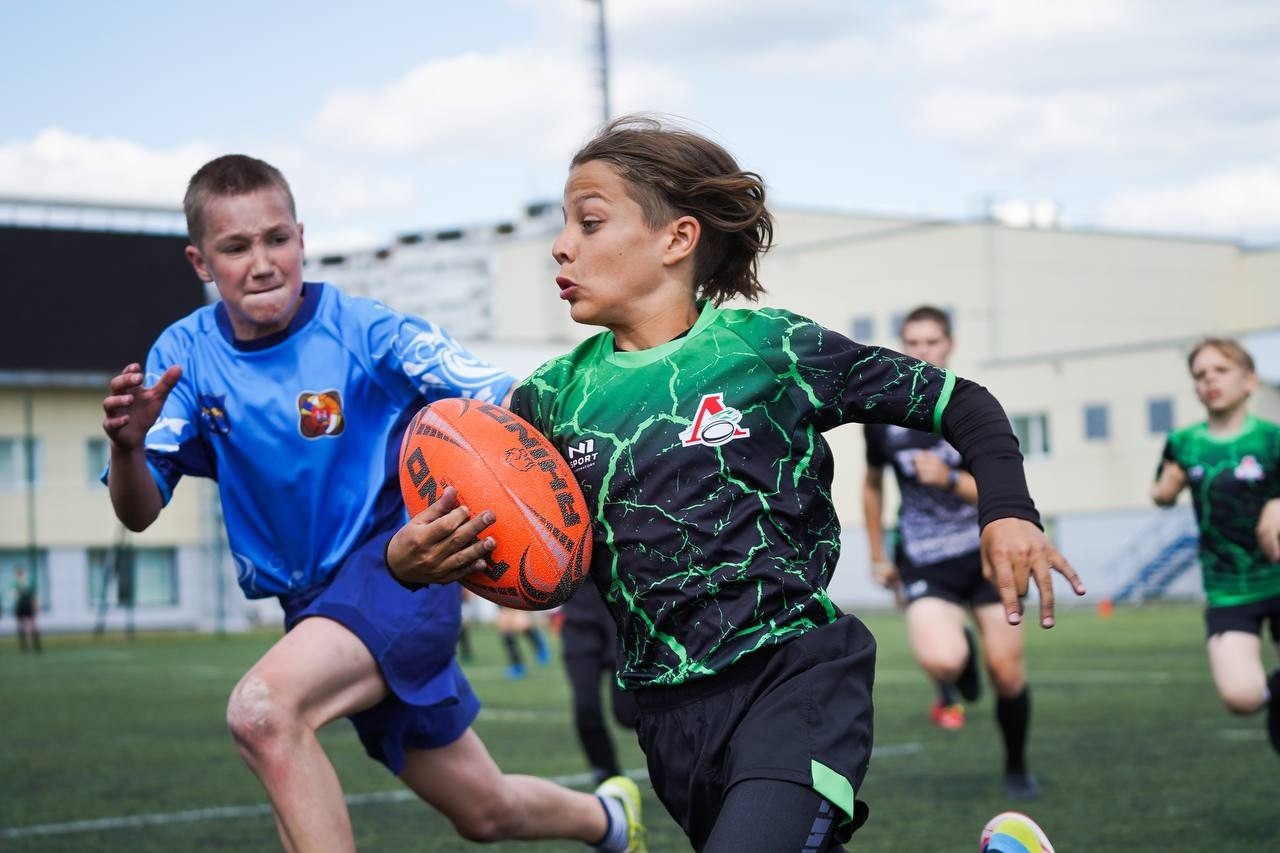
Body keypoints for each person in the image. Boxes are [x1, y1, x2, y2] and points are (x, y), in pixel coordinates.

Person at [390, 115, 1084, 852]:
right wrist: (411, 562)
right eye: (564, 225)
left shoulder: (769, 349)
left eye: (589, 222)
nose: (561, 245)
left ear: (677, 239)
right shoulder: (548, 400)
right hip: (667, 712)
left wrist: (1007, 511)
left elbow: (960, 401)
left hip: (796, 677)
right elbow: (507, 540)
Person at [102, 154, 644, 853]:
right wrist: (125, 447)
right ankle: (611, 821)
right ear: (201, 261)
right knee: (485, 810)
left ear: (301, 237)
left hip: (400, 574)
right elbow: (138, 509)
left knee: (265, 712)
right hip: (312, 608)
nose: (262, 261)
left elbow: (499, 393)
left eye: (276, 239)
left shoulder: (365, 331)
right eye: (235, 247)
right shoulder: (184, 353)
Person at [863, 305, 1039, 798]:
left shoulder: (971, 409)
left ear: (950, 345)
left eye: (932, 342)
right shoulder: (883, 419)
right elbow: (873, 485)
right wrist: (878, 552)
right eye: (913, 343)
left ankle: (1017, 765)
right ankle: (958, 660)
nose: (922, 351)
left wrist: (951, 479)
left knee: (1006, 670)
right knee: (942, 660)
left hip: (984, 553)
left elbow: (1002, 486)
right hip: (924, 557)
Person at [1151, 337, 1280, 755]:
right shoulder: (1184, 442)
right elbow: (1161, 492)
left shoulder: (1272, 439)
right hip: (1228, 587)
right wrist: (1166, 489)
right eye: (1201, 374)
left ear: (1248, 381)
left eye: (1220, 371)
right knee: (1242, 697)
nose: (1210, 380)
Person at [561, 580, 639, 784]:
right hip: (578, 625)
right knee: (586, 708)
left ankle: (673, 763)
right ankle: (610, 779)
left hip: (617, 619)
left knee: (628, 714)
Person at [496, 605, 552, 679]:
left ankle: (540, 647)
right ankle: (517, 665)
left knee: (521, 623)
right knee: (505, 626)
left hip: (516, 597)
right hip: (500, 597)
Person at [13, 565, 41, 653]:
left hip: (29, 606)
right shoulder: (15, 583)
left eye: (22, 573)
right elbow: (15, 595)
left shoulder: (30, 582)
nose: (21, 575)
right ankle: (24, 647)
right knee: (21, 625)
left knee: (33, 625)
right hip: (20, 606)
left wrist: (36, 605)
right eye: (19, 573)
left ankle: (37, 646)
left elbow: (34, 596)